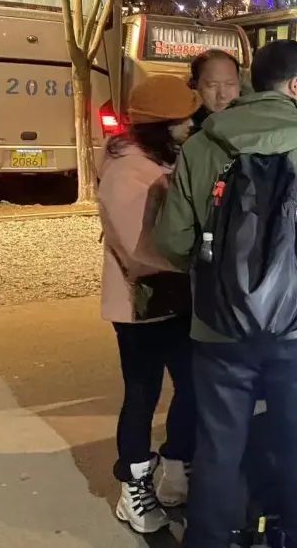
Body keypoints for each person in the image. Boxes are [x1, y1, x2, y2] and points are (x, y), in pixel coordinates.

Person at [156, 40, 297, 548]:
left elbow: (172, 239)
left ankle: (208, 540)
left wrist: (214, 279)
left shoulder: (203, 145)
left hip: (218, 327)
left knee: (218, 444)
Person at [99, 75, 201, 534]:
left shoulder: (164, 159)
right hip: (140, 306)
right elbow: (139, 250)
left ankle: (176, 466)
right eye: (183, 119)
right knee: (142, 395)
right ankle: (133, 487)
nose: (191, 125)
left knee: (193, 385)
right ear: (162, 125)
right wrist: (196, 256)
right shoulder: (127, 172)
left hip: (176, 300)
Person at [189, 49, 242, 130]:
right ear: (194, 85)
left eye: (230, 84)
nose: (222, 95)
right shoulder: (183, 126)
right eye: (212, 85)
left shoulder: (253, 120)